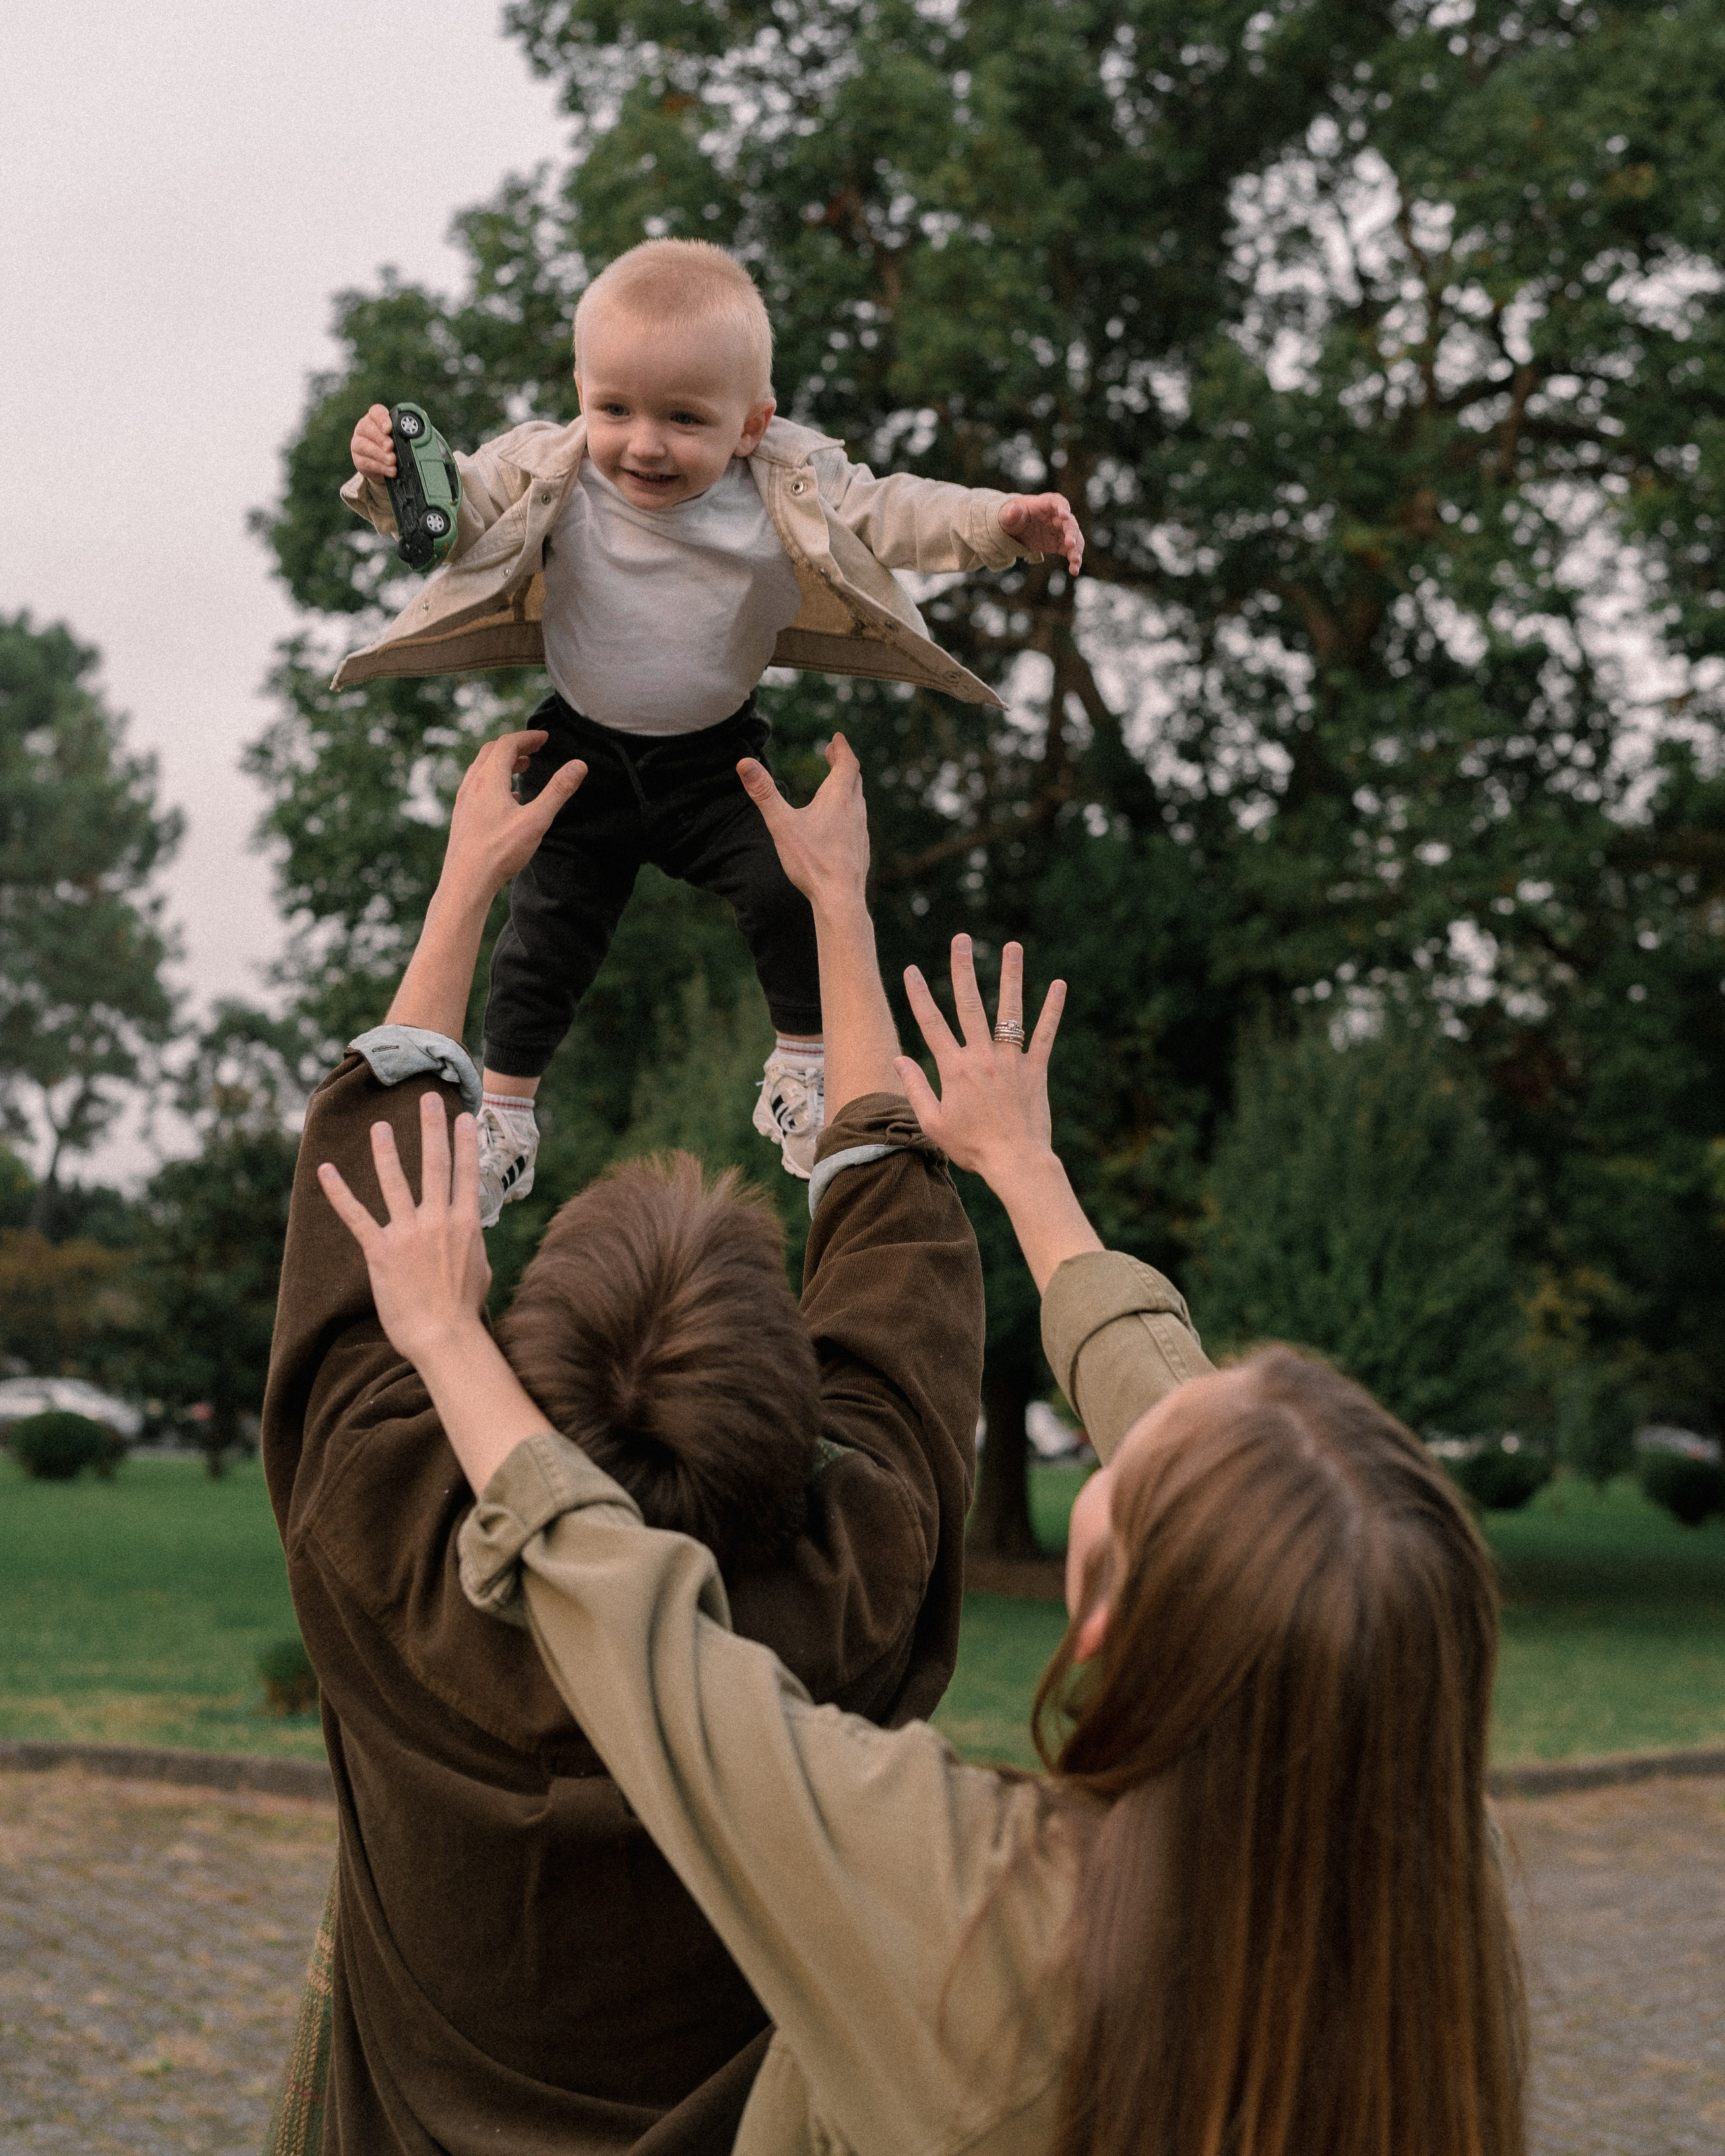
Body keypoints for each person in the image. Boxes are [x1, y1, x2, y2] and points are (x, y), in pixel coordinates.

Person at [319, 771, 1530, 2156]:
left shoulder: (967, 1920)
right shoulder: (1433, 1908)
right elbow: (1229, 1493)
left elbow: (654, 1652)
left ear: (1105, 1622)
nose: (1154, 1409)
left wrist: (442, 1334)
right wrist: (1019, 1167)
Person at [261, 726, 1024, 2155]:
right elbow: (896, 1256)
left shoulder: (380, 1535)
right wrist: (835, 913)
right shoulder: (845, 1590)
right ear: (790, 1409)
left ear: (506, 1358)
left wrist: (467, 887)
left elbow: (358, 1209)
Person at [338, 236, 1084, 1207]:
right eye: (615, 409)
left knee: (789, 891)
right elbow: (458, 507)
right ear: (581, 392)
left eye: (684, 419)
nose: (643, 443)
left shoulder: (788, 479)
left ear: (751, 422)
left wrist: (996, 524)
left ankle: (801, 1075)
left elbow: (894, 511)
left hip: (715, 764)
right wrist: (390, 475)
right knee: (544, 937)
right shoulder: (547, 468)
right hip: (578, 755)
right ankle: (508, 1121)